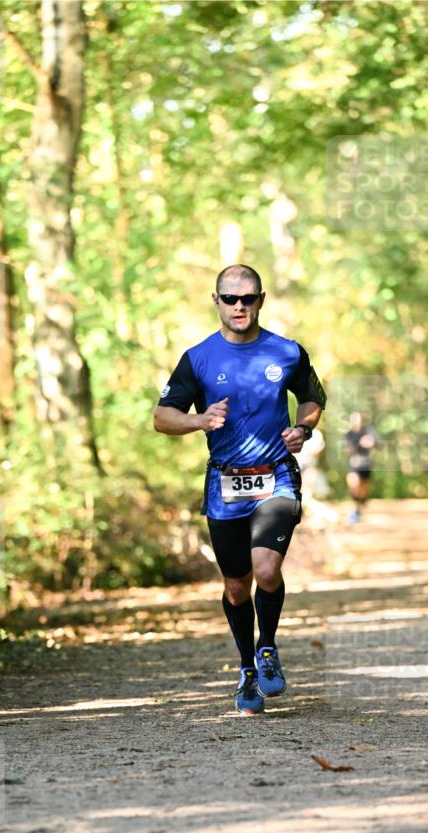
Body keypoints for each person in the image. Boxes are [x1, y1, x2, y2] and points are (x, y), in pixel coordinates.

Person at [153, 265, 326, 716]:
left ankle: (267, 648)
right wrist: (199, 419)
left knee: (266, 571)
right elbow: (161, 416)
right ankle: (247, 668)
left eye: (247, 298)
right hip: (224, 481)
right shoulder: (199, 358)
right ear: (216, 301)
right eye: (230, 299)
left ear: (261, 300)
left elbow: (312, 398)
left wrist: (302, 429)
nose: (239, 306)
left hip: (276, 476)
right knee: (236, 585)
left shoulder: (287, 352)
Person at [344, 411, 377, 524]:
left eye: (357, 418)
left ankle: (360, 505)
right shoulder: (349, 434)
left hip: (366, 465)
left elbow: (376, 442)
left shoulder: (368, 431)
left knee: (363, 490)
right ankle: (355, 508)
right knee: (353, 484)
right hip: (353, 465)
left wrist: (370, 442)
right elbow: (346, 449)